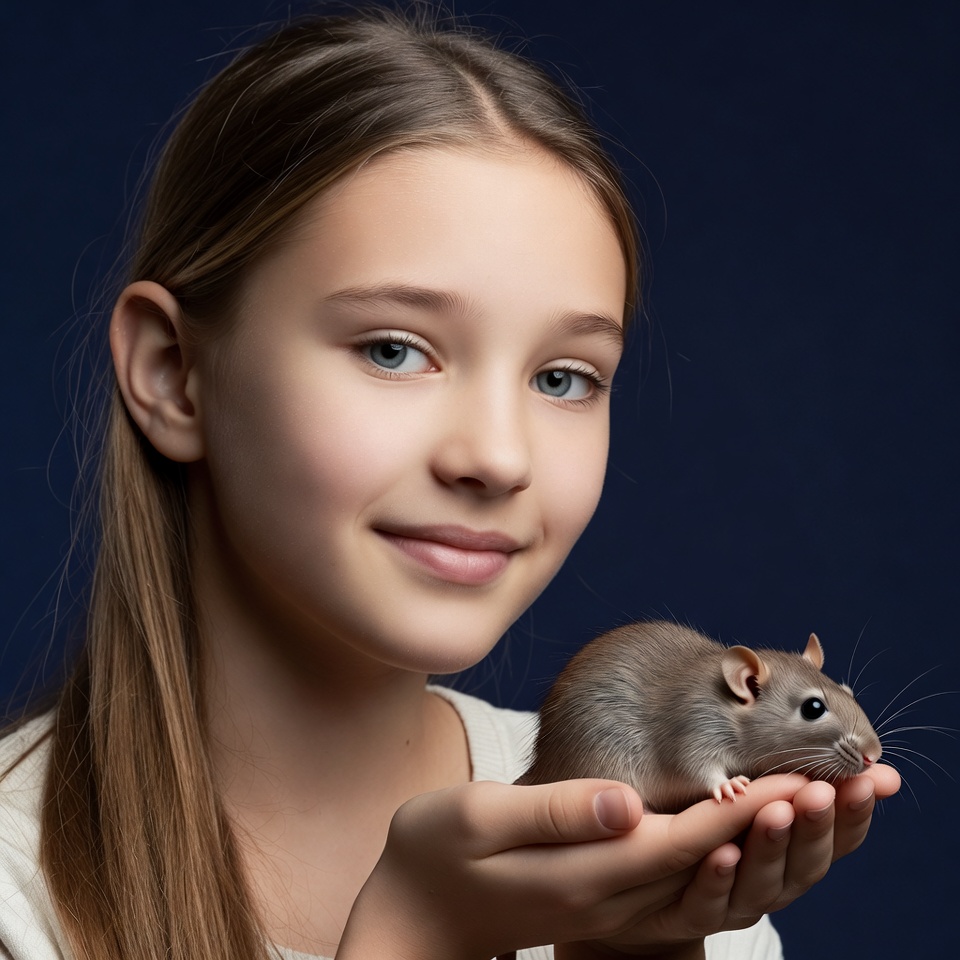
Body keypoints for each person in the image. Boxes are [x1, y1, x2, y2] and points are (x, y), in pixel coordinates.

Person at [0, 6, 899, 960]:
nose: (498, 458)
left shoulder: (666, 852)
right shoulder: (20, 888)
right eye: (395, 350)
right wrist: (414, 938)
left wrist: (632, 951)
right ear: (174, 374)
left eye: (564, 377)